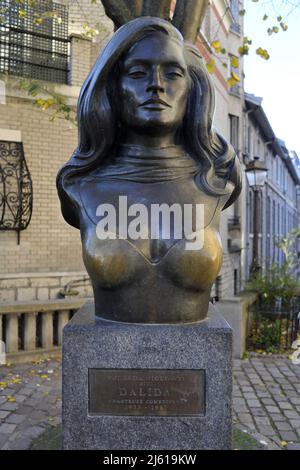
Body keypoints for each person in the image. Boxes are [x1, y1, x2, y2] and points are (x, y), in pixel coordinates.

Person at [57, 17, 242, 323]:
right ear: (113, 87)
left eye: (172, 73)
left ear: (191, 87)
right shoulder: (80, 184)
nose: (156, 84)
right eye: (138, 72)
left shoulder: (218, 178)